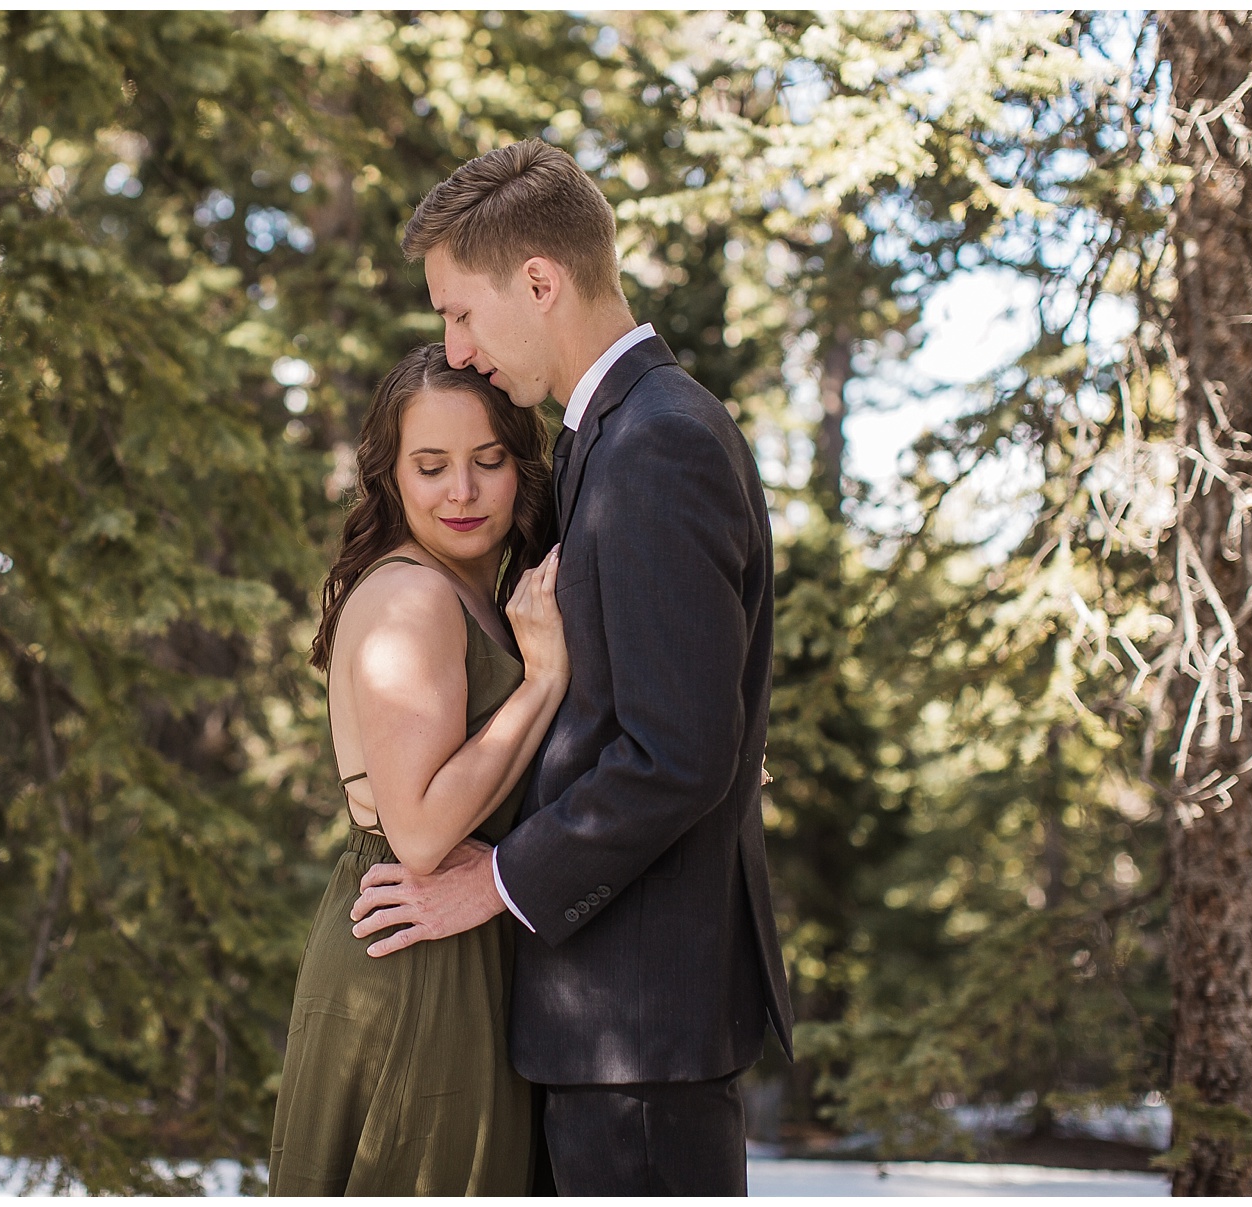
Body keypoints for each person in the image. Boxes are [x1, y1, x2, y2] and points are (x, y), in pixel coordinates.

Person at [349, 139, 796, 1196]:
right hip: (617, 1025)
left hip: (639, 1033)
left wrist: (496, 882)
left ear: (540, 282)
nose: (455, 350)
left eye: (461, 311)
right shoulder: (617, 432)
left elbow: (679, 753)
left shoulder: (655, 443)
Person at [267, 343, 565, 1195]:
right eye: (431, 466)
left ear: (521, 466)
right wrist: (544, 681)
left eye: (488, 461)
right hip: (412, 954)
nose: (461, 493)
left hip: (452, 942)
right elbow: (425, 831)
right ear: (391, 477)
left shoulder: (470, 588)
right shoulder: (415, 597)